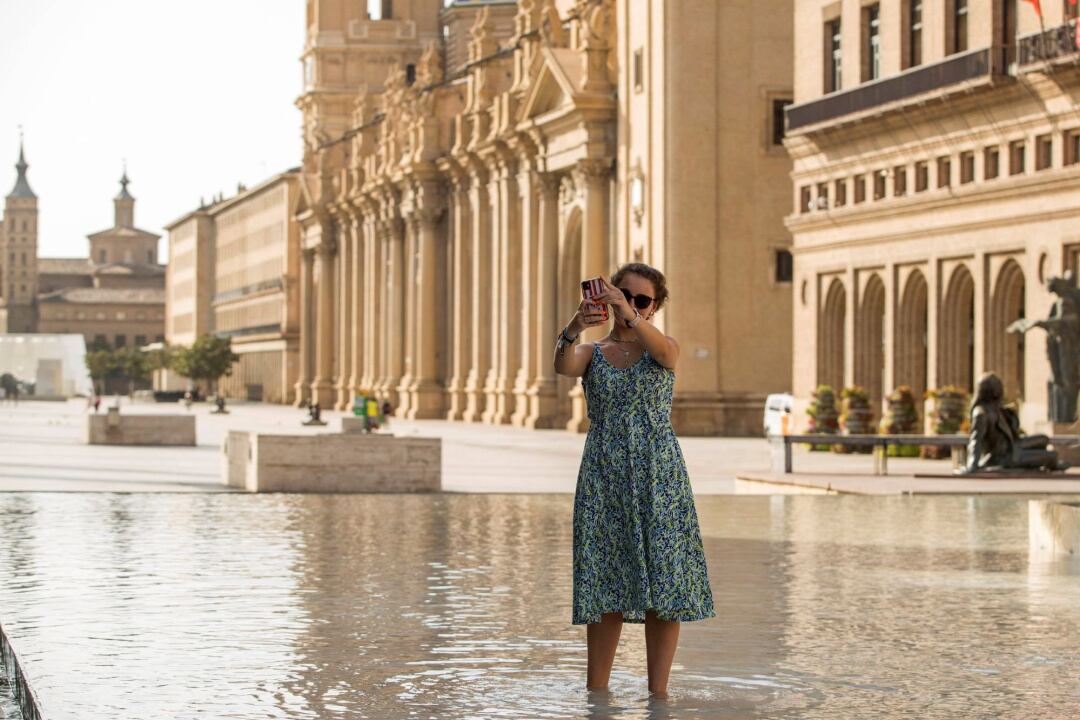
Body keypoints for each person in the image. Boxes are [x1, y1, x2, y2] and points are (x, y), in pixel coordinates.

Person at [553, 263, 715, 698]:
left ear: (654, 306)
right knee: (604, 582)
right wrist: (574, 324)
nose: (629, 302)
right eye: (622, 293)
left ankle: (658, 695)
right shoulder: (594, 352)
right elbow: (563, 364)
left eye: (641, 299)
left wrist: (631, 316)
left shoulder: (663, 347)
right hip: (604, 479)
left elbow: (666, 354)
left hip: (659, 478)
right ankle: (596, 694)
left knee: (664, 583)